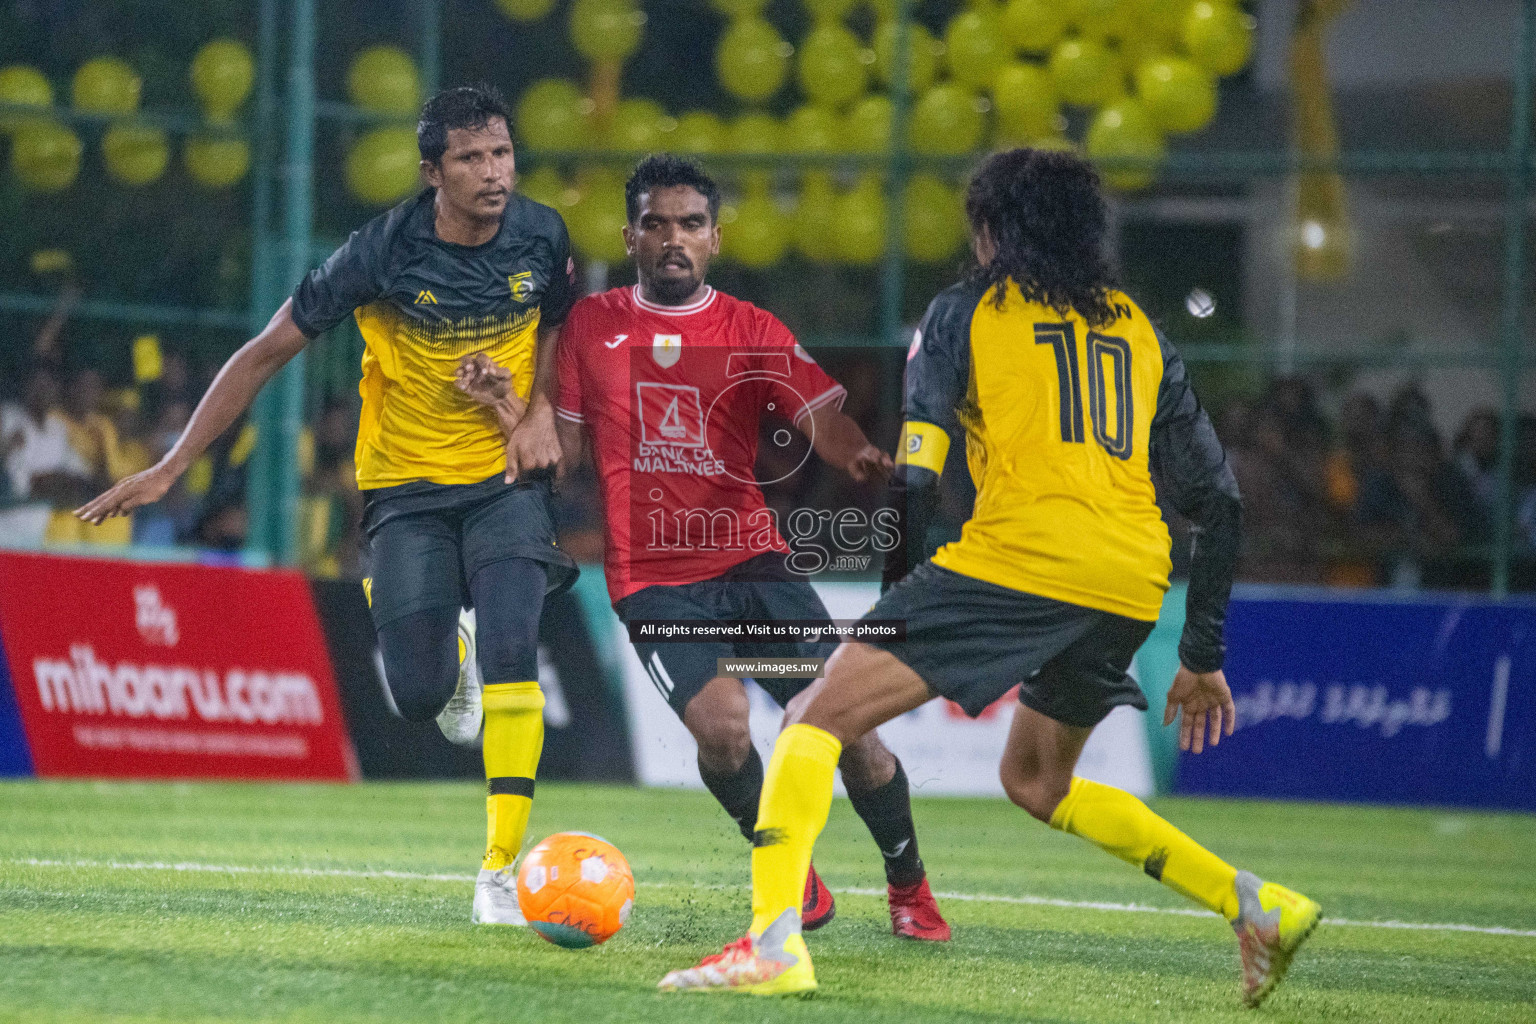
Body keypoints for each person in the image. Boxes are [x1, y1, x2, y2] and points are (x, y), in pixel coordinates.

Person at [659, 149, 1322, 1004]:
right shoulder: (1136, 326)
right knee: (1037, 782)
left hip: (1020, 561)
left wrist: (897, 593)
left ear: (992, 231)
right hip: (1130, 578)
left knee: (809, 722)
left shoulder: (964, 312)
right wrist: (1200, 653)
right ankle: (1253, 903)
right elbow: (1220, 502)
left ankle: (774, 944)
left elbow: (919, 471)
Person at [75, 84, 577, 927]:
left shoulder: (542, 233)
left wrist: (534, 413)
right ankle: (437, 648)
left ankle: (498, 868)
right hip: (407, 491)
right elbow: (265, 351)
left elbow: (555, 324)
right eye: (471, 158)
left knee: (514, 646)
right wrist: (172, 466)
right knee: (420, 695)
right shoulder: (379, 252)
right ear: (431, 173)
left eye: (502, 153)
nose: (494, 173)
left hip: (503, 484)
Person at [461, 155, 950, 940]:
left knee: (845, 727)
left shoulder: (751, 330)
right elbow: (570, 456)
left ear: (715, 238)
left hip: (754, 567)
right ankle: (787, 867)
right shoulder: (592, 326)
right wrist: (507, 407)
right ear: (630, 236)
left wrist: (855, 451)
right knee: (723, 731)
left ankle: (909, 884)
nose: (673, 238)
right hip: (655, 584)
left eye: (690, 224)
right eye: (656, 223)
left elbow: (820, 415)